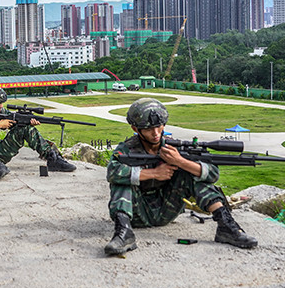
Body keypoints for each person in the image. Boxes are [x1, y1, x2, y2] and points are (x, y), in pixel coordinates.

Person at [104, 98, 257, 256]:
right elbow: (112, 172)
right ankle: (123, 233)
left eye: (158, 126)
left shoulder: (175, 148)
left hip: (167, 209)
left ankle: (226, 227)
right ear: (135, 128)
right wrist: (154, 173)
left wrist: (180, 162)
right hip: (135, 213)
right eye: (148, 129)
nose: (155, 133)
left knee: (190, 172)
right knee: (121, 180)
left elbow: (212, 174)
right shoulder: (127, 149)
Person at [0, 85, 76, 179]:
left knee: (24, 128)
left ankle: (52, 158)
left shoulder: (0, 111)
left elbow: (13, 120)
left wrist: (26, 122)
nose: (1, 106)